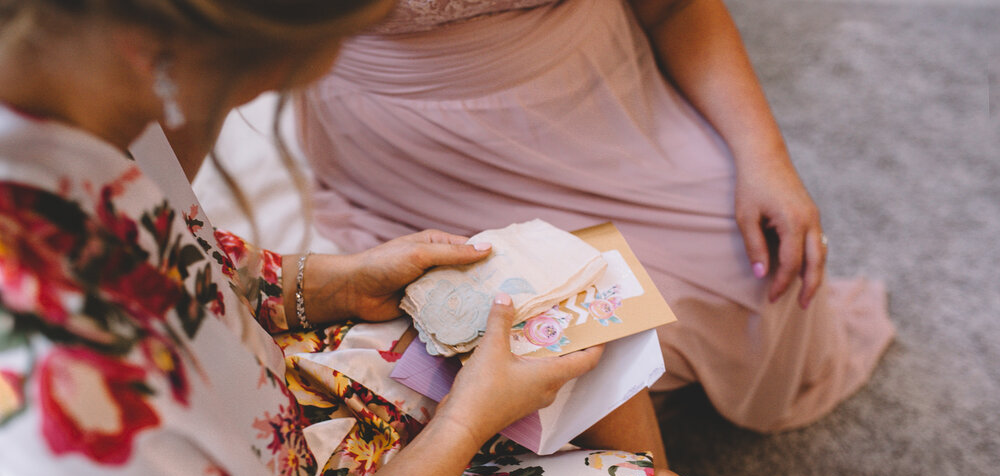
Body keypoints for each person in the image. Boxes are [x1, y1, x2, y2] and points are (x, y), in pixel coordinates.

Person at [0, 1, 916, 476]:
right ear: (159, 54)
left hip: (257, 442)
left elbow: (176, 251)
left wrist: (325, 284)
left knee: (564, 289)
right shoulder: (62, 377)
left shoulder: (85, 103)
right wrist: (461, 426)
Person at [295, 0, 897, 433]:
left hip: (590, 90)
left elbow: (673, 7)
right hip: (406, 137)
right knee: (512, 334)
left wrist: (766, 156)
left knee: (764, 273)